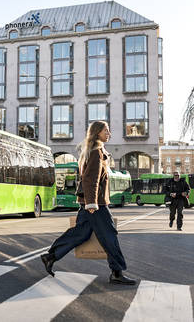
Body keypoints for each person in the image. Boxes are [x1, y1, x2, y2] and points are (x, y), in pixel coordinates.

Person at [41, 121, 136, 285]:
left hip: (91, 202)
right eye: (106, 130)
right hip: (96, 204)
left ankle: (51, 256)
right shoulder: (96, 152)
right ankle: (117, 272)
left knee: (81, 233)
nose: (109, 133)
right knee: (109, 235)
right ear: (97, 132)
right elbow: (91, 180)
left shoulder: (95, 151)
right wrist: (92, 203)